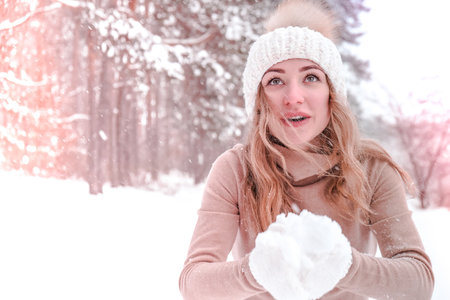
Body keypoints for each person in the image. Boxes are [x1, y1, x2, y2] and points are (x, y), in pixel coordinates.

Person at [179, 0, 434, 299]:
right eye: (275, 80)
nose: (293, 96)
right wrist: (256, 270)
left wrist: (346, 265)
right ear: (259, 99)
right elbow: (193, 283)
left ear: (331, 93)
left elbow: (419, 282)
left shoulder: (372, 169)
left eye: (310, 77)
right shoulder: (235, 170)